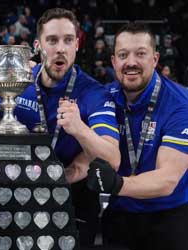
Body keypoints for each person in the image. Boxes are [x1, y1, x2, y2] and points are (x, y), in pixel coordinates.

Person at [12, 8, 121, 246]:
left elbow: (112, 159)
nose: (60, 48)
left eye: (68, 40)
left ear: (77, 45)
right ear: (37, 45)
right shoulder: (18, 82)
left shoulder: (93, 93)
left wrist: (79, 128)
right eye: (52, 40)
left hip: (75, 197)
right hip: (22, 191)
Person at [86, 22, 188, 250]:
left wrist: (117, 184)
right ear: (113, 61)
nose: (131, 62)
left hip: (168, 217)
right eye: (123, 55)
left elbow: (167, 180)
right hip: (118, 215)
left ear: (155, 59)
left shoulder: (181, 103)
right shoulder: (103, 98)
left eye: (140, 54)